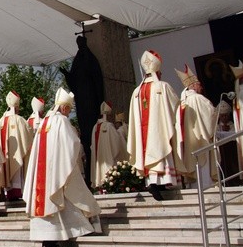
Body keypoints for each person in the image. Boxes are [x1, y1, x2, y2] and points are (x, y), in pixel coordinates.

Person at [24, 88, 101, 247]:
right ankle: (72, 231)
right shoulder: (62, 121)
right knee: (63, 195)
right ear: (64, 108)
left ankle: (48, 239)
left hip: (41, 172)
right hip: (54, 171)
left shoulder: (45, 121)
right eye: (69, 109)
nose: (69, 112)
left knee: (50, 201)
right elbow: (72, 144)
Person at [127, 50, 181, 201]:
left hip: (144, 134)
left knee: (147, 150)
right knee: (160, 146)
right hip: (158, 131)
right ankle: (161, 182)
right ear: (158, 71)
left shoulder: (136, 92)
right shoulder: (162, 87)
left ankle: (155, 183)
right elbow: (176, 107)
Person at [60, 35, 105, 186]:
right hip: (81, 104)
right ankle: (88, 173)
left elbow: (98, 80)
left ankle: (94, 173)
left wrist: (100, 102)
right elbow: (73, 82)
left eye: (81, 43)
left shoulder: (90, 59)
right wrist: (67, 75)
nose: (79, 45)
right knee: (86, 136)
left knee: (92, 135)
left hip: (91, 102)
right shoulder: (78, 60)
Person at [174, 65, 216, 189]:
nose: (201, 87)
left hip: (188, 144)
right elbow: (211, 116)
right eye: (199, 84)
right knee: (204, 173)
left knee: (194, 171)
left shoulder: (181, 103)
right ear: (192, 86)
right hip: (201, 141)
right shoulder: (199, 99)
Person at [0, 91, 33, 201]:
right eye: (18, 107)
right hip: (16, 154)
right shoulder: (19, 119)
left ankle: (9, 193)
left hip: (5, 154)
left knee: (7, 171)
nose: (19, 109)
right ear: (16, 107)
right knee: (17, 171)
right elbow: (28, 134)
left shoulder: (0, 121)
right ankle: (17, 192)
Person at [90, 101, 128, 189]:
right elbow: (117, 143)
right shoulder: (109, 126)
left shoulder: (95, 127)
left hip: (98, 159)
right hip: (108, 159)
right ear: (109, 115)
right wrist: (121, 133)